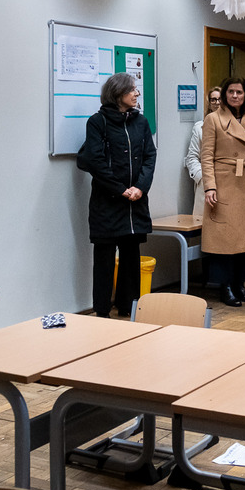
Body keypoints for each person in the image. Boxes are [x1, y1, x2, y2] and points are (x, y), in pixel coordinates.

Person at [76, 72, 156, 317]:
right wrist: (120, 189)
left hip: (135, 201)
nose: (136, 93)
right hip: (107, 202)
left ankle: (128, 307)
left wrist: (140, 187)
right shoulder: (97, 122)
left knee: (131, 257)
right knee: (104, 260)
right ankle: (101, 312)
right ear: (118, 93)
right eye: (132, 89)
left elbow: (149, 156)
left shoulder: (140, 122)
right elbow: (95, 161)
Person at [201, 77, 245, 307]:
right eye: (230, 92)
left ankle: (240, 284)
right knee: (225, 239)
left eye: (239, 92)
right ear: (224, 94)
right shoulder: (213, 119)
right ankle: (225, 286)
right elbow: (206, 156)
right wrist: (210, 186)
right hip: (225, 184)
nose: (234, 96)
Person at [184, 87, 220, 217]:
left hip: (228, 181)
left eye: (220, 99)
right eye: (213, 99)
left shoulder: (235, 125)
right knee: (204, 222)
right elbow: (192, 157)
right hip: (206, 182)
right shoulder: (200, 127)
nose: (217, 102)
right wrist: (202, 177)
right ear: (209, 103)